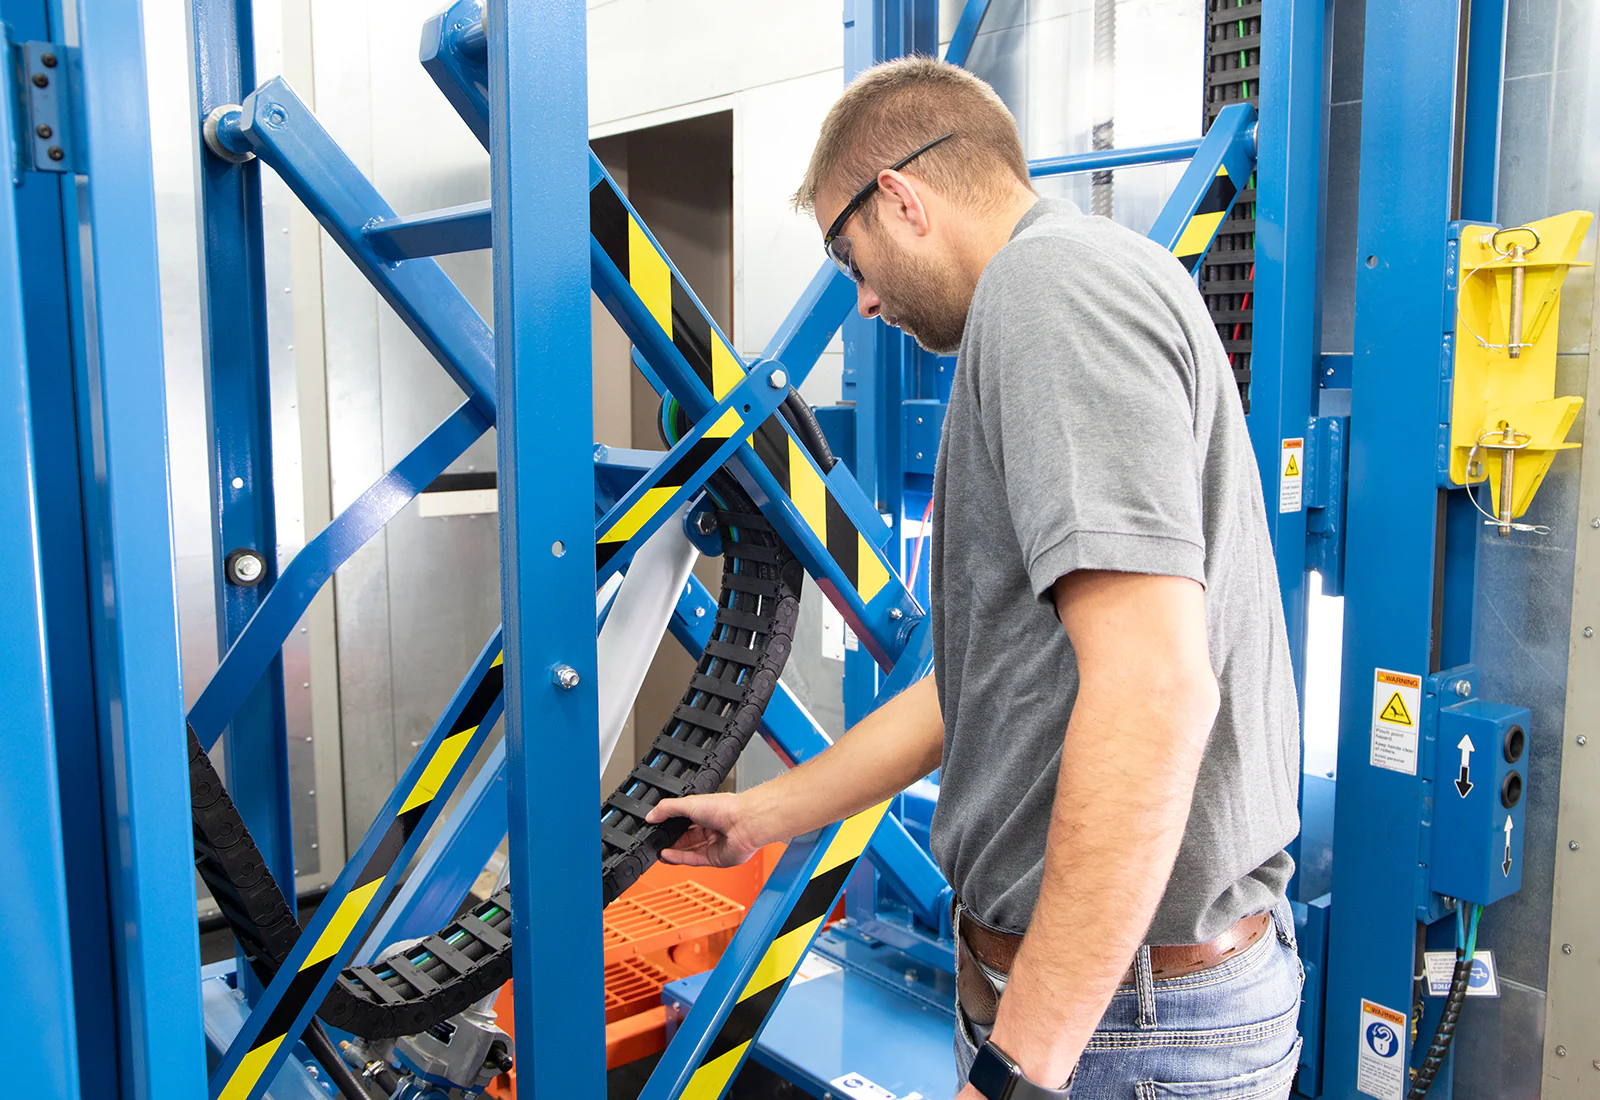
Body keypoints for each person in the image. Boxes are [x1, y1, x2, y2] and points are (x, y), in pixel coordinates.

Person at [645, 57, 1304, 1099]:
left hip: (1117, 1029)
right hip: (1097, 1008)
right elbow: (982, 690)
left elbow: (1154, 691)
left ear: (901, 197)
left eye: (849, 255)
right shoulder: (1060, 295)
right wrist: (766, 811)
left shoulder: (1050, 291)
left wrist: (1019, 1076)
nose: (861, 301)